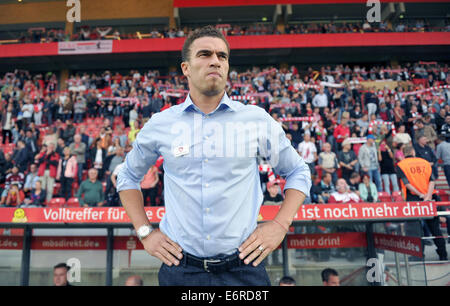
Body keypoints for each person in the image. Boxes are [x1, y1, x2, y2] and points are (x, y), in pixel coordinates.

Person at [117, 26, 311, 286]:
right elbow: (127, 175)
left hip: (244, 270)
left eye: (222, 56)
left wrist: (280, 224)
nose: (215, 61)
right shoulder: (161, 124)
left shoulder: (254, 120)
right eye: (205, 54)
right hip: (181, 271)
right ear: (185, 68)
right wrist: (144, 232)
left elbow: (298, 171)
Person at [396, 145, 448, 261]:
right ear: (413, 152)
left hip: (414, 199)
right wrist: (428, 196)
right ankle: (443, 254)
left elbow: (407, 184)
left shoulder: (401, 165)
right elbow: (432, 181)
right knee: (435, 228)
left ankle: (418, 255)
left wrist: (421, 195)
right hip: (430, 198)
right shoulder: (425, 162)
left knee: (415, 229)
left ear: (404, 154)